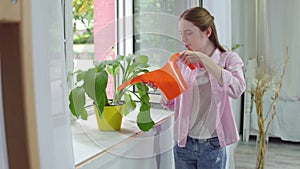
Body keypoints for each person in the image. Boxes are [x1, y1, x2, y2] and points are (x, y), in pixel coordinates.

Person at [147, 7, 246, 169]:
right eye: (181, 33)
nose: (183, 39)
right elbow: (171, 103)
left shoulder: (228, 59)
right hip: (183, 143)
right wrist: (161, 87)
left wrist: (204, 60)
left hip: (212, 146)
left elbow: (237, 89)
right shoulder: (180, 62)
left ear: (207, 32)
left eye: (189, 32)